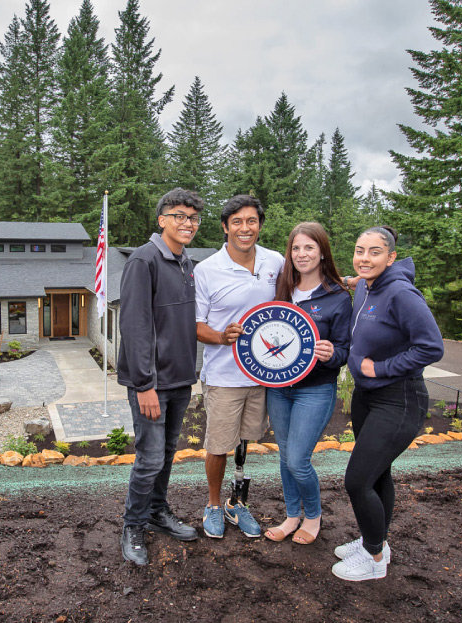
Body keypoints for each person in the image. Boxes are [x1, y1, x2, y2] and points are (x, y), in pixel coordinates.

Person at [332, 226, 444, 581]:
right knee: (379, 473)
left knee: (357, 481)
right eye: (359, 250)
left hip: (399, 400)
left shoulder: (401, 293)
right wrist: (349, 280)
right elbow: (357, 278)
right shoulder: (367, 283)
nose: (365, 258)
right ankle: (374, 539)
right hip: (368, 396)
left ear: (391, 257)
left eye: (375, 252)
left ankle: (374, 559)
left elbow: (431, 347)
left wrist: (380, 368)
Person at [117, 187, 204, 566]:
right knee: (149, 458)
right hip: (151, 384)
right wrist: (144, 384)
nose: (188, 223)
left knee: (167, 455)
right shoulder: (144, 261)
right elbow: (135, 327)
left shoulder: (187, 264)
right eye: (180, 215)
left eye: (194, 218)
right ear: (162, 220)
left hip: (180, 380)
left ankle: (157, 512)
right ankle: (133, 525)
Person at [194, 194, 285, 539]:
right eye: (237, 222)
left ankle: (237, 502)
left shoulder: (275, 261)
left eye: (251, 221)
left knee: (247, 440)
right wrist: (220, 336)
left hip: (262, 373)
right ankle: (214, 504)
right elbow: (196, 325)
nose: (245, 228)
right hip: (223, 376)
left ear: (260, 225)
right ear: (225, 227)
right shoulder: (207, 270)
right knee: (218, 445)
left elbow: (303, 288)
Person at [263, 222, 352, 545]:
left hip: (315, 389)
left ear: (322, 253)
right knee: (285, 456)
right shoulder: (282, 291)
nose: (301, 254)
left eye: (309, 248)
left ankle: (312, 517)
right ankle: (291, 516)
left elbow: (344, 350)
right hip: (279, 388)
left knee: (299, 460)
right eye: (296, 248)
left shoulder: (338, 297)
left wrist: (332, 353)